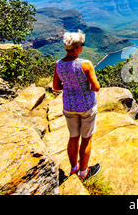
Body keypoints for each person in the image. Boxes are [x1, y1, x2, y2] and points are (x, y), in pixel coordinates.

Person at [53, 31, 101, 180]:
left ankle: (74, 168)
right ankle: (84, 172)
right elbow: (96, 87)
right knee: (86, 139)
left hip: (69, 106)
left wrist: (70, 86)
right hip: (86, 107)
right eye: (82, 45)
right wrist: (81, 88)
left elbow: (56, 86)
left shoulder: (59, 65)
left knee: (73, 137)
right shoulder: (85, 65)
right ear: (78, 47)